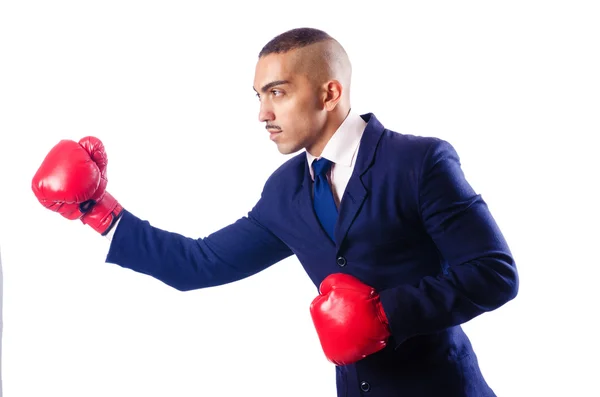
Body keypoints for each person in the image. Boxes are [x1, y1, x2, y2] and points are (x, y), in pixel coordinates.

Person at [31, 27, 519, 397]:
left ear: (329, 93)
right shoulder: (286, 191)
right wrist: (99, 210)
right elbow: (199, 263)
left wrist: (386, 314)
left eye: (278, 92)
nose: (263, 114)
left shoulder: (419, 162)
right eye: (259, 95)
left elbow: (494, 272)